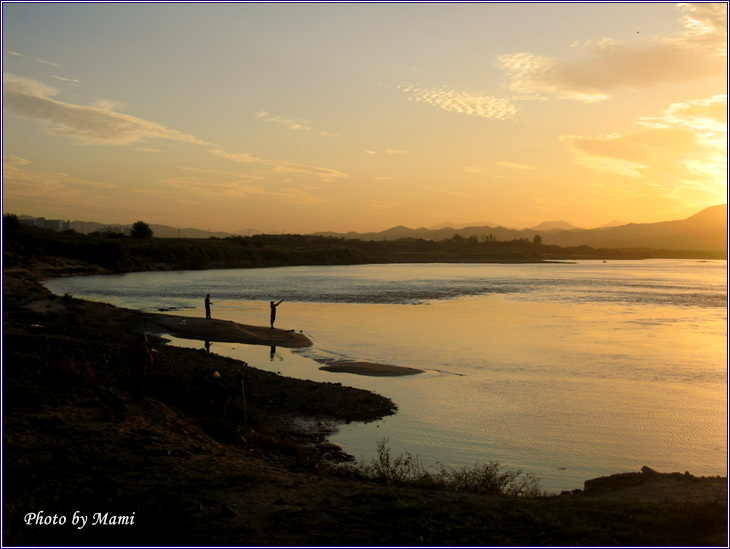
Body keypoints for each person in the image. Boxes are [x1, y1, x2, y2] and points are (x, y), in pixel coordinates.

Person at [130, 333, 154, 400]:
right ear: (142, 340)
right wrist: (151, 363)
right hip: (140, 367)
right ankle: (139, 396)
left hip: (133, 366)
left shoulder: (132, 345)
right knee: (140, 382)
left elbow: (129, 355)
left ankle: (134, 395)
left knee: (134, 381)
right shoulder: (143, 347)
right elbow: (149, 356)